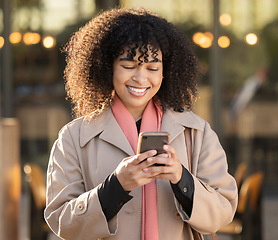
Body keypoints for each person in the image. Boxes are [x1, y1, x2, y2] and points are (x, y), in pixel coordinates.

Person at [44, 7, 238, 240]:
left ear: (166, 71)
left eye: (152, 68)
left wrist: (181, 179)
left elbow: (224, 211)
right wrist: (116, 186)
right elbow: (62, 223)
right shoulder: (73, 137)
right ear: (107, 66)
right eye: (128, 66)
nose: (141, 78)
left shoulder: (196, 132)